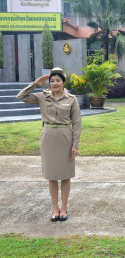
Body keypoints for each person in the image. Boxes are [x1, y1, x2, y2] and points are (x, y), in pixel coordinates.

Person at [16, 67, 82, 222]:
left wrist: (75, 145)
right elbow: (21, 96)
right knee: (51, 176)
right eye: (52, 80)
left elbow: (77, 124)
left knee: (65, 176)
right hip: (48, 138)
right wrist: (35, 84)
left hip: (65, 137)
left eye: (58, 80)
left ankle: (64, 208)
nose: (55, 83)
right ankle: (55, 209)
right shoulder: (42, 96)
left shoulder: (71, 99)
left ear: (64, 82)